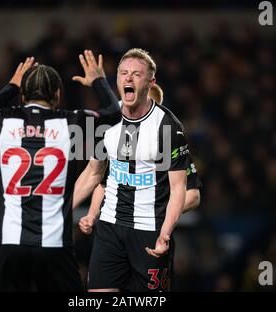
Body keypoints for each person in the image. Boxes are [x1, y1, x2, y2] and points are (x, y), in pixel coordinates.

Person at [0, 52, 120, 291]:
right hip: (55, 246)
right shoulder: (71, 122)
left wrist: (11, 85)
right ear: (58, 95)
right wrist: (98, 81)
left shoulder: (3, 120)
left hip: (11, 242)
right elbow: (113, 113)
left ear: (22, 95)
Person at [73, 48, 189, 292]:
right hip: (109, 228)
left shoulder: (167, 126)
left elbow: (180, 188)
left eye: (136, 74)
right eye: (123, 73)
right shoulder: (106, 121)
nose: (128, 78)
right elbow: (94, 173)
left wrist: (165, 233)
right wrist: (62, 210)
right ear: (116, 80)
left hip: (149, 231)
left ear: (150, 82)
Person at [80, 84, 202, 237]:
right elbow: (104, 181)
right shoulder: (115, 135)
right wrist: (91, 215)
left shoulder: (169, 140)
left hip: (150, 229)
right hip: (114, 228)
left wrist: (155, 212)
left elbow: (193, 195)